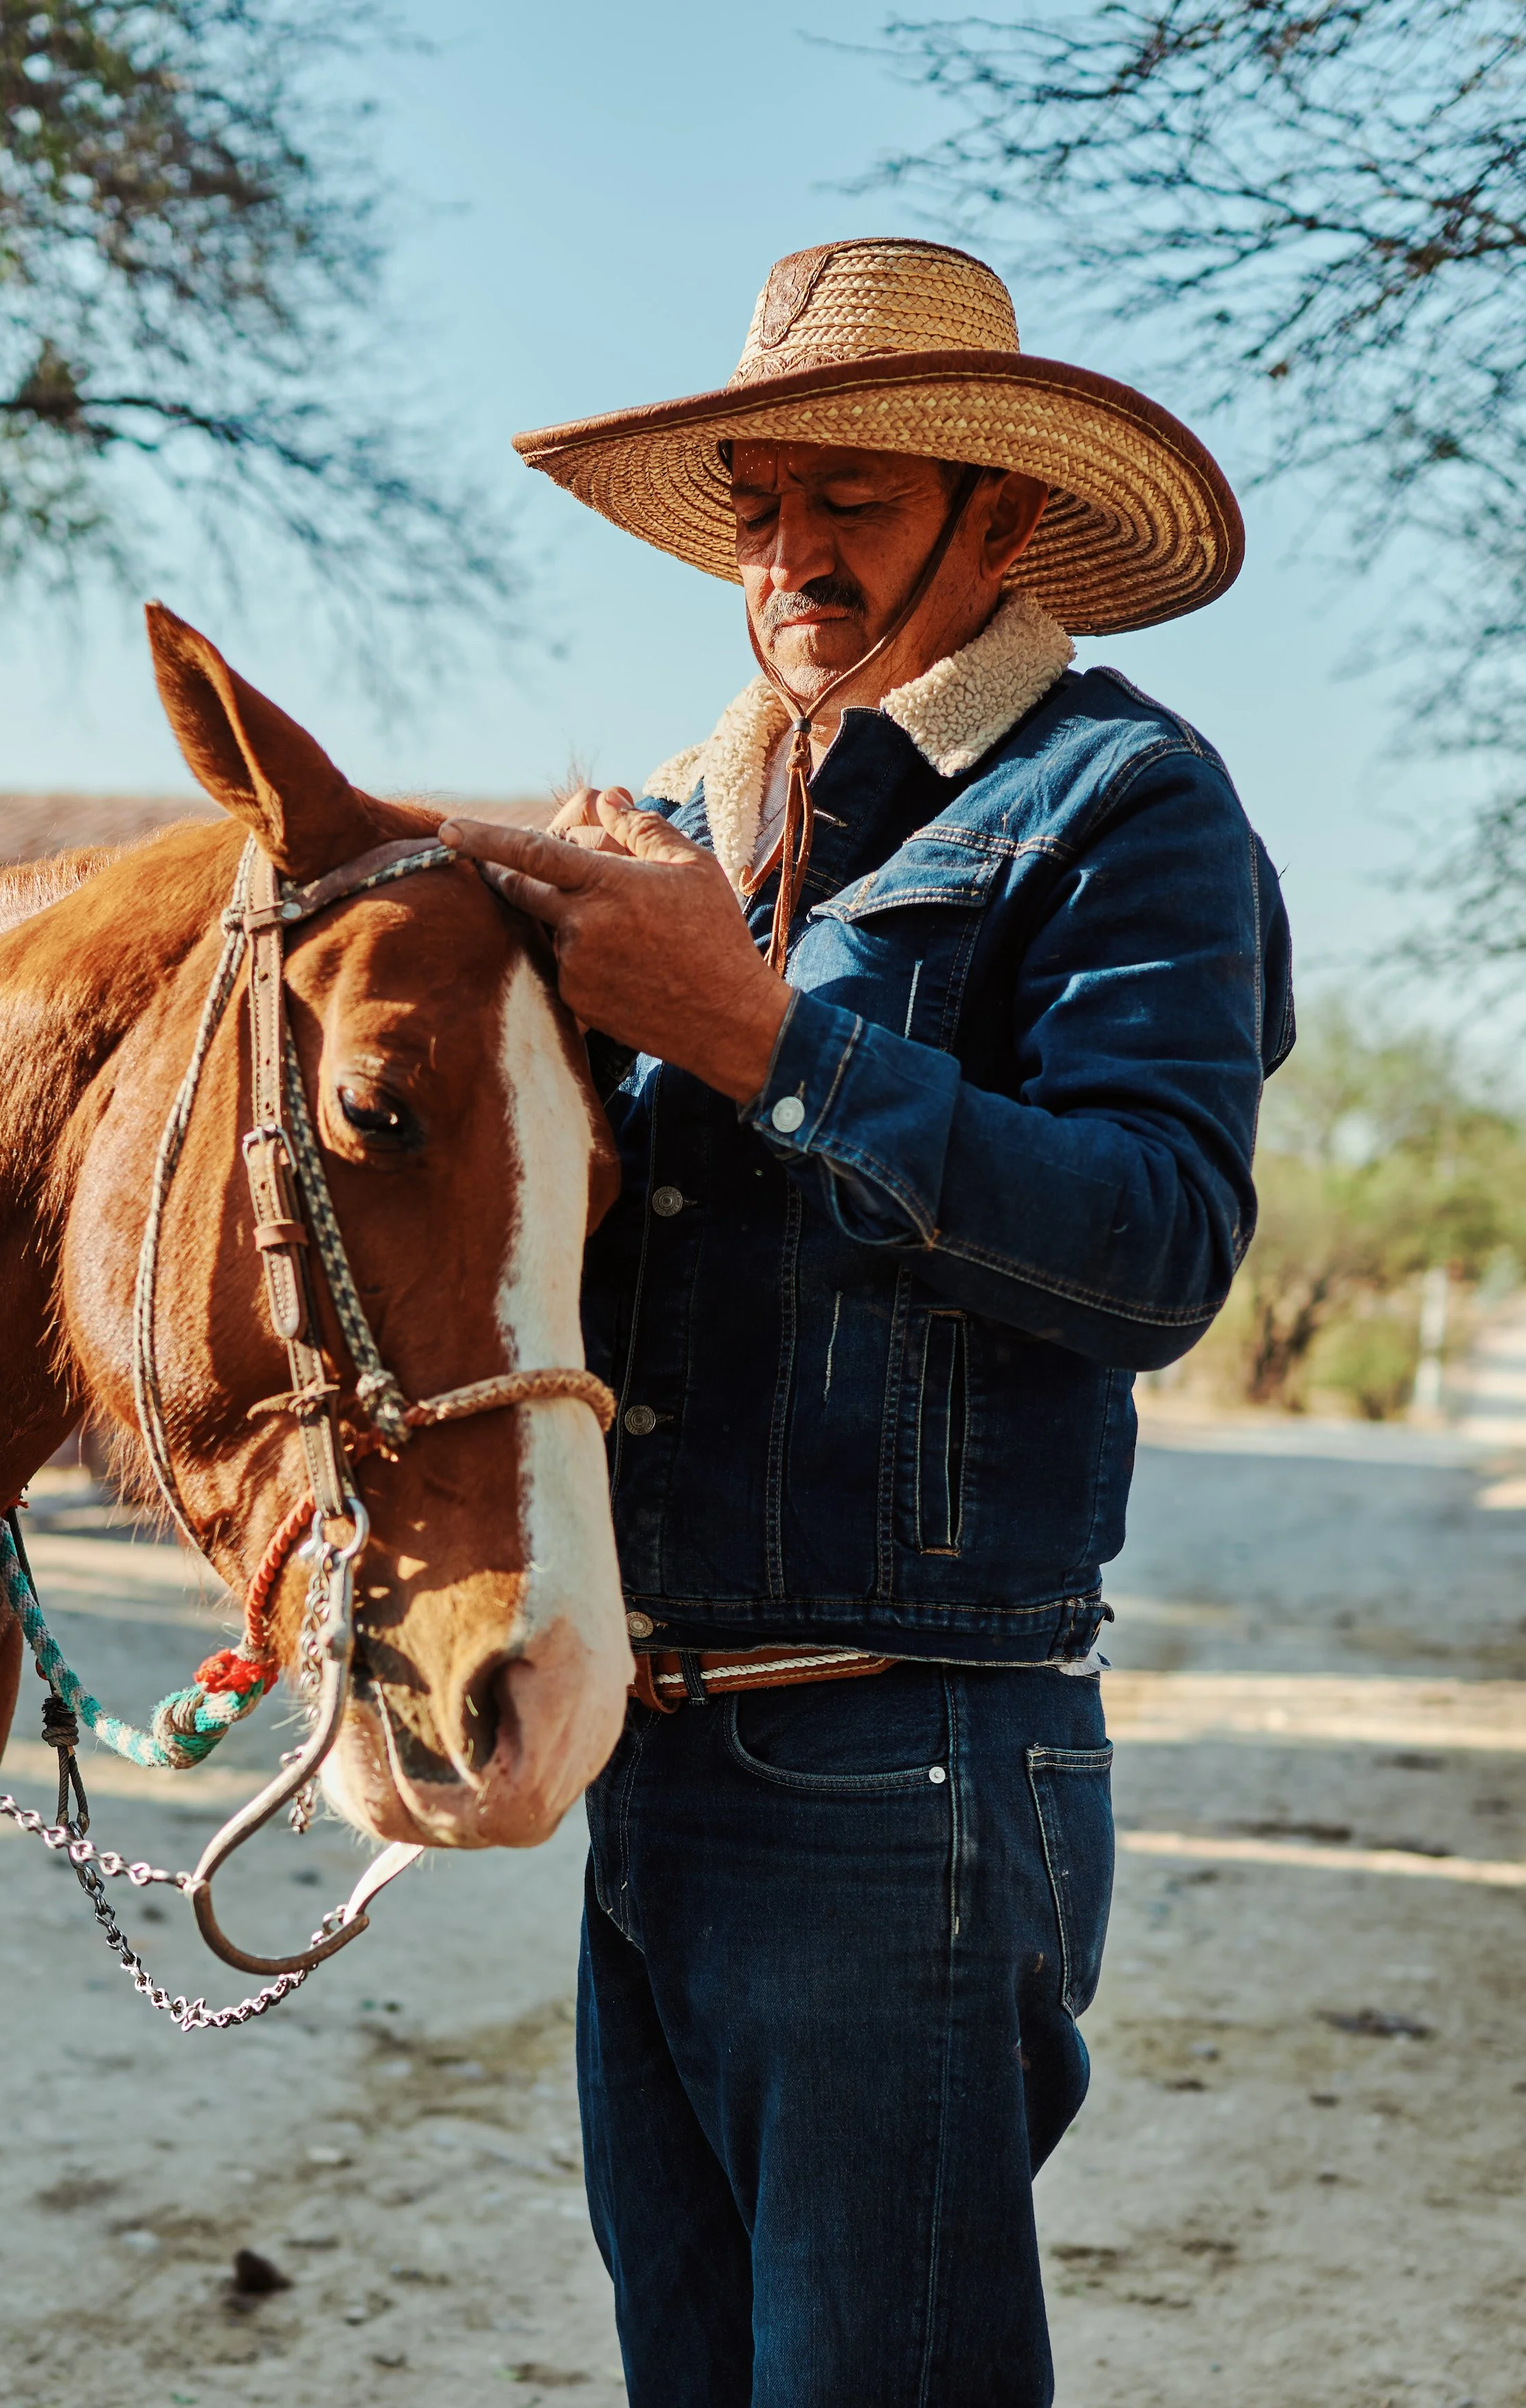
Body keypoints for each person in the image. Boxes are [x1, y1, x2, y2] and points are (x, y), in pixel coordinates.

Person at [443, 237, 1293, 2408]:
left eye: (856, 498)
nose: (791, 554)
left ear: (997, 517)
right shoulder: (697, 841)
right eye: (760, 504)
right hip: (656, 1759)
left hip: (904, 1763)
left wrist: (756, 1039)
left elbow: (1158, 1246)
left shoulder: (1123, 806)